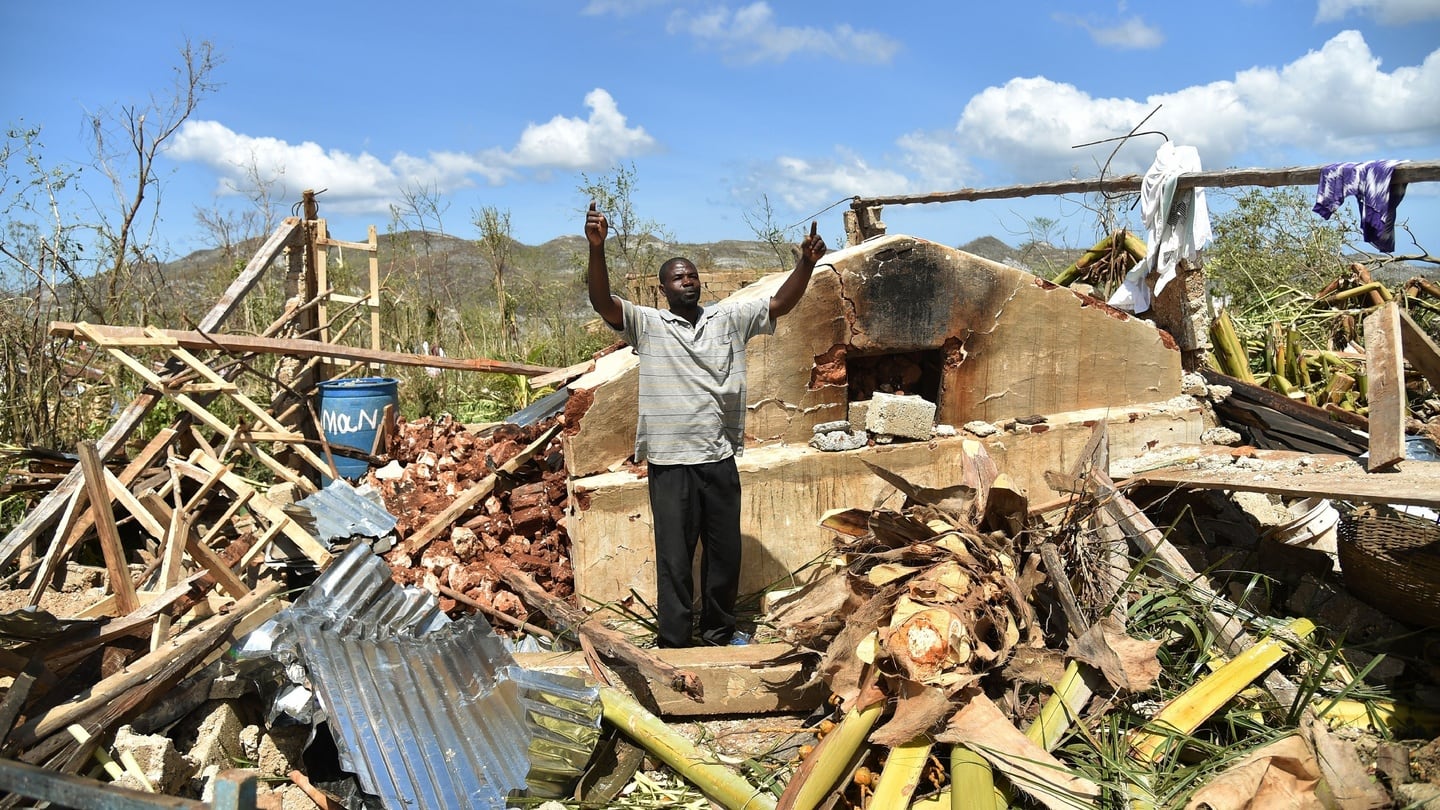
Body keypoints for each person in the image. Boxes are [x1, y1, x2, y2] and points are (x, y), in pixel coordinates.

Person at [585, 201, 827, 647]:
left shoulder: (727, 319)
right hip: (670, 462)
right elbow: (603, 302)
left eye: (692, 275)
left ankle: (718, 634)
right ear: (663, 289)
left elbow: (780, 303)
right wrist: (596, 249)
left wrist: (806, 265)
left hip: (718, 457)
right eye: (678, 278)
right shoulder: (649, 324)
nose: (688, 282)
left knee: (723, 556)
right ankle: (675, 644)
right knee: (675, 560)